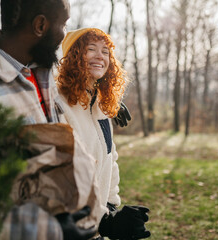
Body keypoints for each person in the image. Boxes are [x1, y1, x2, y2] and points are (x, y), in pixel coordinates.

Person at [0, 1, 99, 239]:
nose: (64, 33)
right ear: (40, 25)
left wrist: (105, 218)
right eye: (63, 24)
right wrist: (48, 230)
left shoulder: (41, 75)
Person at [57, 28, 151, 240]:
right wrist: (103, 221)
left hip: (96, 226)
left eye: (106, 51)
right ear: (73, 57)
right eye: (91, 49)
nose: (100, 56)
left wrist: (110, 205)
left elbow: (111, 157)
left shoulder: (100, 106)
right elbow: (62, 176)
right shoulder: (59, 105)